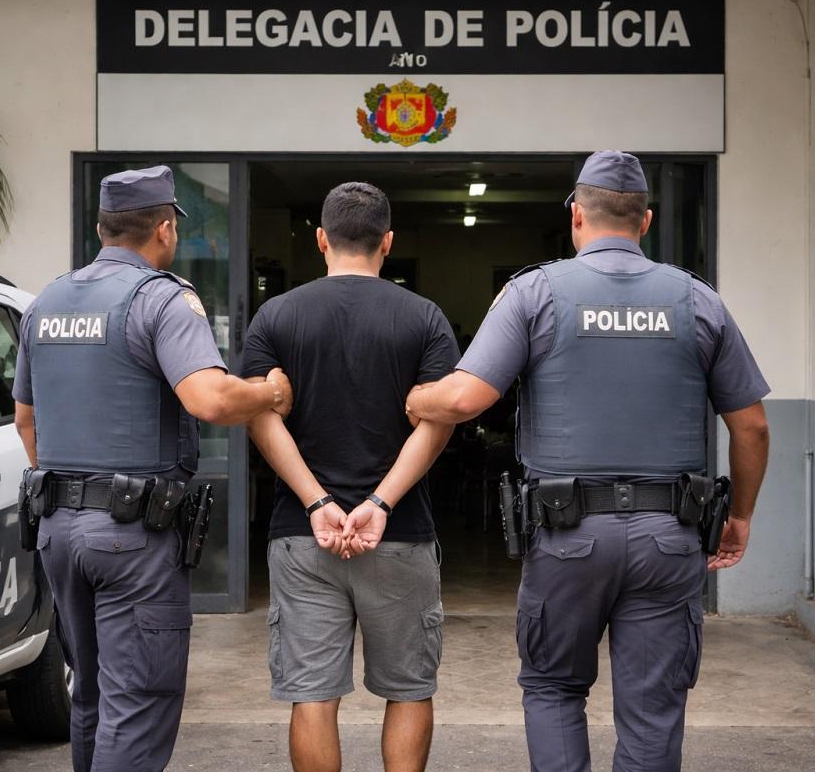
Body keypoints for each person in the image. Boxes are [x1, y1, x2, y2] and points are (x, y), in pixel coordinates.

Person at [405, 151, 771, 772]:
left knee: (552, 688)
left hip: (567, 534)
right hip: (669, 536)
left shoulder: (534, 292)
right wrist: (739, 516)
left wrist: (417, 396)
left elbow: (464, 399)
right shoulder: (697, 300)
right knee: (653, 706)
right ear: (646, 220)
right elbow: (753, 426)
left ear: (576, 215)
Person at [12, 166, 293, 772]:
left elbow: (25, 423)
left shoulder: (46, 301)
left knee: (88, 694)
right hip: (132, 537)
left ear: (100, 228)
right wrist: (268, 393)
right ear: (165, 229)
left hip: (58, 530)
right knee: (137, 701)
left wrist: (72, 496)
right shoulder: (162, 298)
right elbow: (210, 400)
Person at [241, 182, 460, 772]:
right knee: (409, 688)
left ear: (320, 240)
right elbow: (437, 423)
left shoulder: (276, 315)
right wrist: (382, 502)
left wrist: (316, 503)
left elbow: (261, 416)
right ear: (388, 242)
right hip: (400, 532)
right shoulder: (425, 318)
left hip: (303, 534)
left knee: (312, 693)